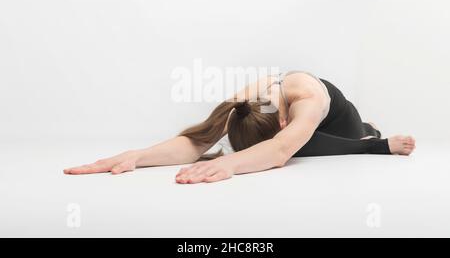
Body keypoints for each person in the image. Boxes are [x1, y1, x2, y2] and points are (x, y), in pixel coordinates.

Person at [63, 70, 416, 184]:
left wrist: (227, 164)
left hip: (343, 125)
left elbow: (278, 152)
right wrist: (138, 156)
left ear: (281, 123)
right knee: (300, 146)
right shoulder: (247, 100)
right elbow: (199, 141)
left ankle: (374, 139)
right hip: (296, 130)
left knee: (307, 147)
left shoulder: (308, 100)